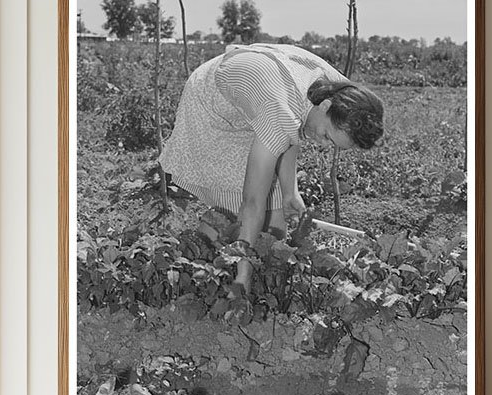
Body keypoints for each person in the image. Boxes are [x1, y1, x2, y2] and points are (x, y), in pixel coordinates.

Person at [158, 42, 384, 292]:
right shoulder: (280, 113)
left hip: (261, 98)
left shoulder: (339, 90)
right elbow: (252, 202)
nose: (322, 143)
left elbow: (293, 125)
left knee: (275, 219)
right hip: (212, 102)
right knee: (236, 206)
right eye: (327, 136)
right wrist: (241, 281)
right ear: (326, 106)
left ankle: (247, 275)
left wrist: (290, 191)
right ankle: (189, 267)